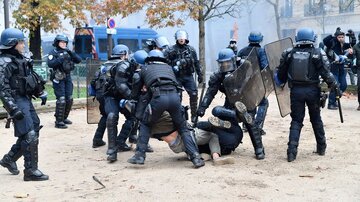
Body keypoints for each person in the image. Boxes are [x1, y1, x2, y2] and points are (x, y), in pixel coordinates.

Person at [127, 49, 204, 168]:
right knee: (183, 128)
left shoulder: (144, 69)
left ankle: (140, 155)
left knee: (145, 124)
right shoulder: (169, 68)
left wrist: (135, 96)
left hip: (159, 99)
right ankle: (196, 157)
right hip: (175, 98)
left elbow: (137, 89)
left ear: (149, 59)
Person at [274, 27, 339, 162]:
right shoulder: (317, 52)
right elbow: (326, 73)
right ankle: (321, 148)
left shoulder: (289, 53)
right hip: (312, 91)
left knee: (296, 121)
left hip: (296, 92)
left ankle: (291, 153)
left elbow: (280, 76)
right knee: (316, 119)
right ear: (313, 38)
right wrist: (335, 86)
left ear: (297, 38)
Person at [197, 48, 265, 160]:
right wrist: (202, 107)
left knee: (250, 122)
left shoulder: (244, 67)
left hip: (246, 100)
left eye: (228, 62)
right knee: (218, 112)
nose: (225, 66)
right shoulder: (218, 76)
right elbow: (210, 93)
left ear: (234, 60)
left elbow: (255, 79)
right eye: (222, 64)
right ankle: (229, 123)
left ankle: (259, 148)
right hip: (230, 103)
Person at [0, 28, 49, 181]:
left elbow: (28, 78)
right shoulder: (3, 62)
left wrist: (40, 91)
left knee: (34, 128)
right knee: (30, 134)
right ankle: (30, 171)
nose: (23, 45)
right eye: (20, 42)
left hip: (25, 98)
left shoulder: (22, 58)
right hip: (16, 100)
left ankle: (9, 159)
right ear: (12, 44)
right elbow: (2, 88)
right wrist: (12, 108)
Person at [150, 111, 235, 166]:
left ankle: (194, 155)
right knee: (212, 136)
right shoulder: (166, 114)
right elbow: (182, 124)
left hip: (175, 147)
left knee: (190, 144)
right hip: (186, 137)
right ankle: (216, 158)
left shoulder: (150, 121)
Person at [165, 30, 203, 123]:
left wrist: (199, 74)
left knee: (194, 94)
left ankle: (194, 116)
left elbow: (196, 62)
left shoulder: (191, 50)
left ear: (186, 38)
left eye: (183, 37)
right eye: (179, 37)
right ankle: (179, 117)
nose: (181, 39)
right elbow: (165, 63)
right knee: (177, 96)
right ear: (176, 38)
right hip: (176, 77)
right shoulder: (170, 50)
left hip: (188, 76)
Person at [237, 31, 269, 135]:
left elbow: (237, 68)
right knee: (263, 103)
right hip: (256, 82)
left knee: (249, 103)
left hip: (243, 83)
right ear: (260, 39)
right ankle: (257, 126)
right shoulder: (261, 51)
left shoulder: (242, 51)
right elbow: (264, 66)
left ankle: (247, 126)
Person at [47, 34, 82, 128]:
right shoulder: (53, 52)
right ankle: (58, 121)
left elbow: (79, 60)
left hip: (67, 77)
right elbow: (50, 64)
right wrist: (60, 59)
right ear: (57, 42)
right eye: (61, 42)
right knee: (61, 99)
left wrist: (70, 52)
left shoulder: (68, 51)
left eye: (64, 42)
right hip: (58, 77)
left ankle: (64, 118)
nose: (63, 44)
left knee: (69, 98)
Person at [323, 27, 353, 110]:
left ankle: (336, 98)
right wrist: (333, 35)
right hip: (333, 67)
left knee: (343, 85)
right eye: (339, 37)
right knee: (335, 85)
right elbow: (325, 41)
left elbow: (352, 44)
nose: (341, 38)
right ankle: (331, 103)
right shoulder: (333, 43)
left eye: (342, 37)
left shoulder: (344, 44)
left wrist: (352, 36)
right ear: (336, 37)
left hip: (341, 67)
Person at [351, 33, 360, 110]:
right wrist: (354, 69)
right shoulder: (356, 47)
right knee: (359, 86)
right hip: (359, 68)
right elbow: (353, 59)